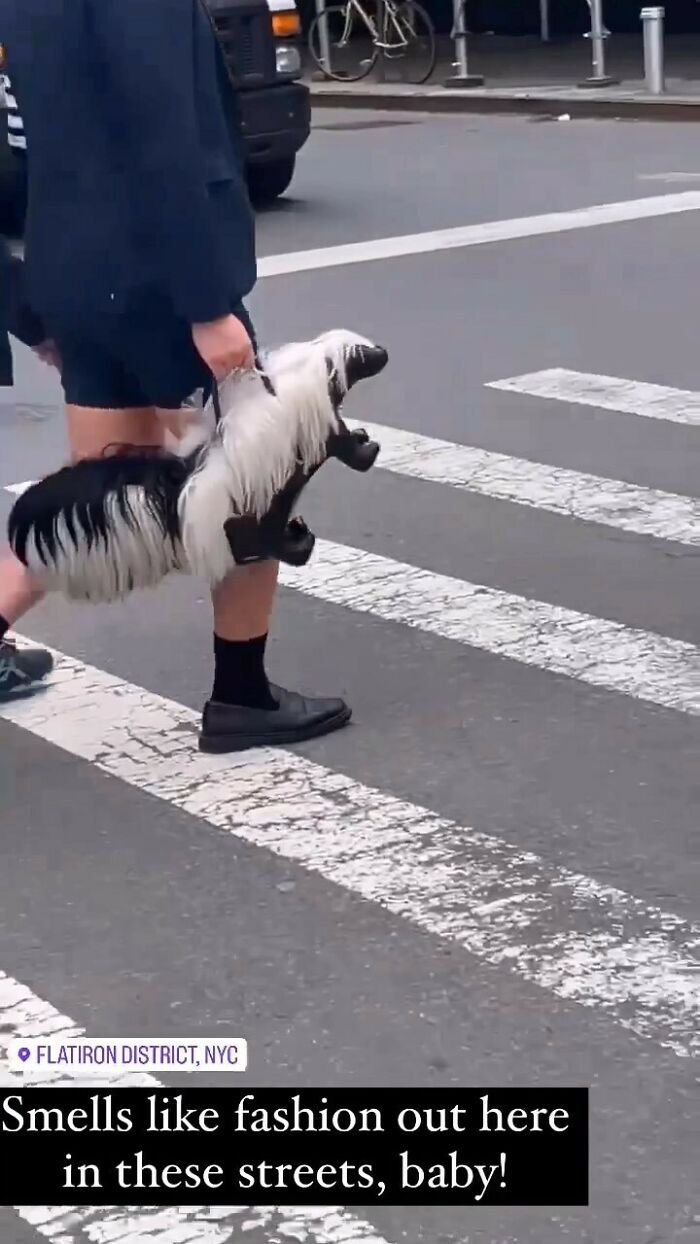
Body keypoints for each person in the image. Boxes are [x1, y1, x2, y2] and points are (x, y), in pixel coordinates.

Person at [0, 0, 351, 751]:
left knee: (94, 491)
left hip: (73, 267)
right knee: (254, 483)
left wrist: (29, 303)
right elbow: (163, 135)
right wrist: (206, 303)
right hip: (159, 278)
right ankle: (243, 696)